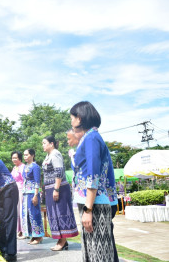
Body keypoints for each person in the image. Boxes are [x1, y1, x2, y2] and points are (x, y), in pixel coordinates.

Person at [70, 101, 116, 261]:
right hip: (90, 202)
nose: (71, 121)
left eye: (72, 117)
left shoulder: (91, 138)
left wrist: (88, 210)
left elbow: (93, 175)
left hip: (94, 203)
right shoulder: (89, 137)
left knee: (100, 253)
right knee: (92, 250)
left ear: (80, 118)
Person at [42, 135, 78, 251]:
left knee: (60, 213)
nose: (43, 145)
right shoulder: (48, 156)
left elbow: (59, 171)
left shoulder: (55, 154)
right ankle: (62, 240)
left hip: (59, 188)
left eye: (44, 143)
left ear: (51, 143)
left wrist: (56, 189)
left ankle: (62, 241)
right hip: (50, 188)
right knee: (54, 215)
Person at [21, 149, 44, 245]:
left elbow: (37, 181)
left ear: (32, 155)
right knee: (27, 215)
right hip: (26, 193)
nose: (25, 157)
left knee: (35, 214)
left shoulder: (35, 167)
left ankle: (38, 236)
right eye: (24, 155)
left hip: (32, 193)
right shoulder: (25, 166)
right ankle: (31, 235)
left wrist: (35, 195)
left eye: (27, 155)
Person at [11, 150, 25, 239]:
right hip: (14, 190)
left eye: (16, 158)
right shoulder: (14, 168)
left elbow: (25, 180)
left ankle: (24, 231)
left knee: (21, 210)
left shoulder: (23, 167)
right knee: (16, 210)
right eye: (12, 158)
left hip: (21, 190)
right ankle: (18, 230)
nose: (14, 159)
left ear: (20, 158)